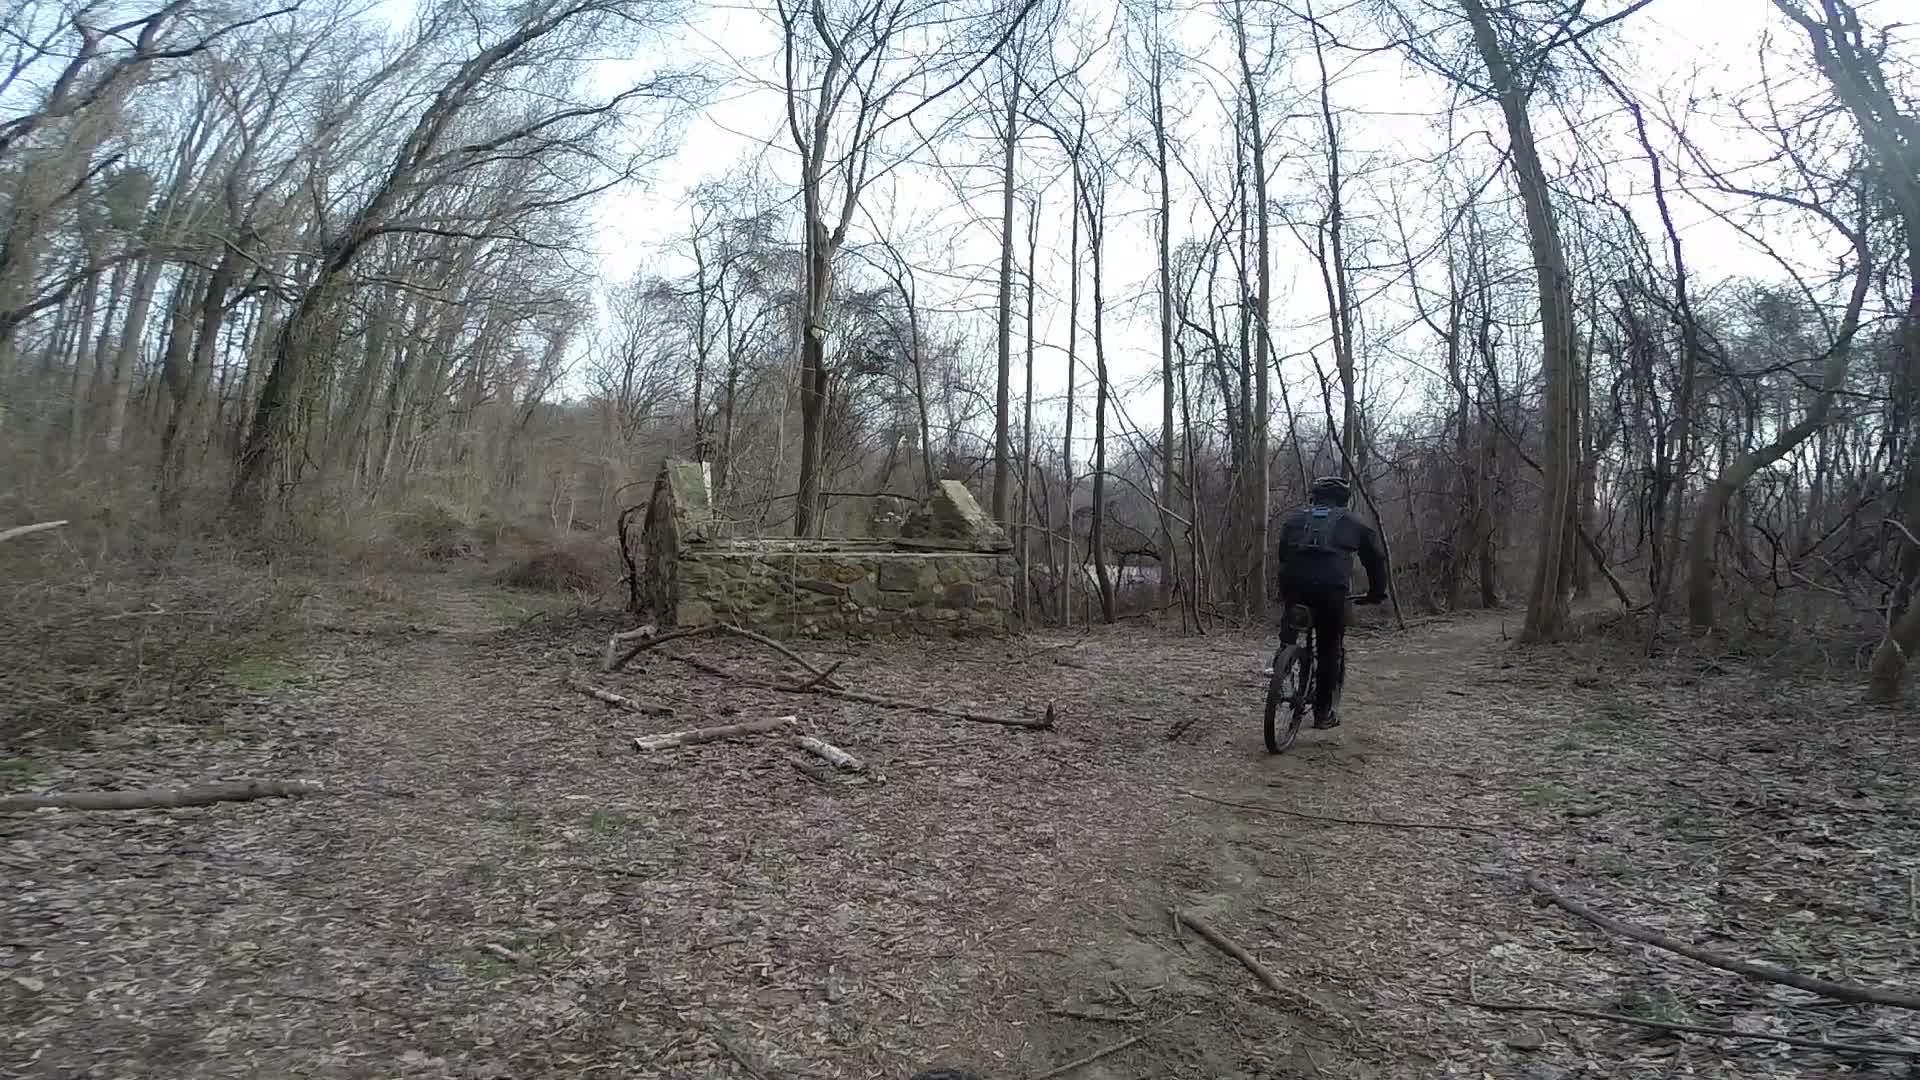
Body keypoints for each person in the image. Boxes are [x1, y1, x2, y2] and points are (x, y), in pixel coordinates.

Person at [1270, 475, 1388, 729]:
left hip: (1294, 584)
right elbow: (1376, 560)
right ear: (1345, 499)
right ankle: (1323, 714)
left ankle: (1284, 654)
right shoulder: (1355, 522)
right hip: (1331, 590)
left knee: (1293, 609)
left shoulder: (1294, 519)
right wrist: (1377, 592)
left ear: (1314, 497)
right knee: (1329, 648)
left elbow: (1283, 555)